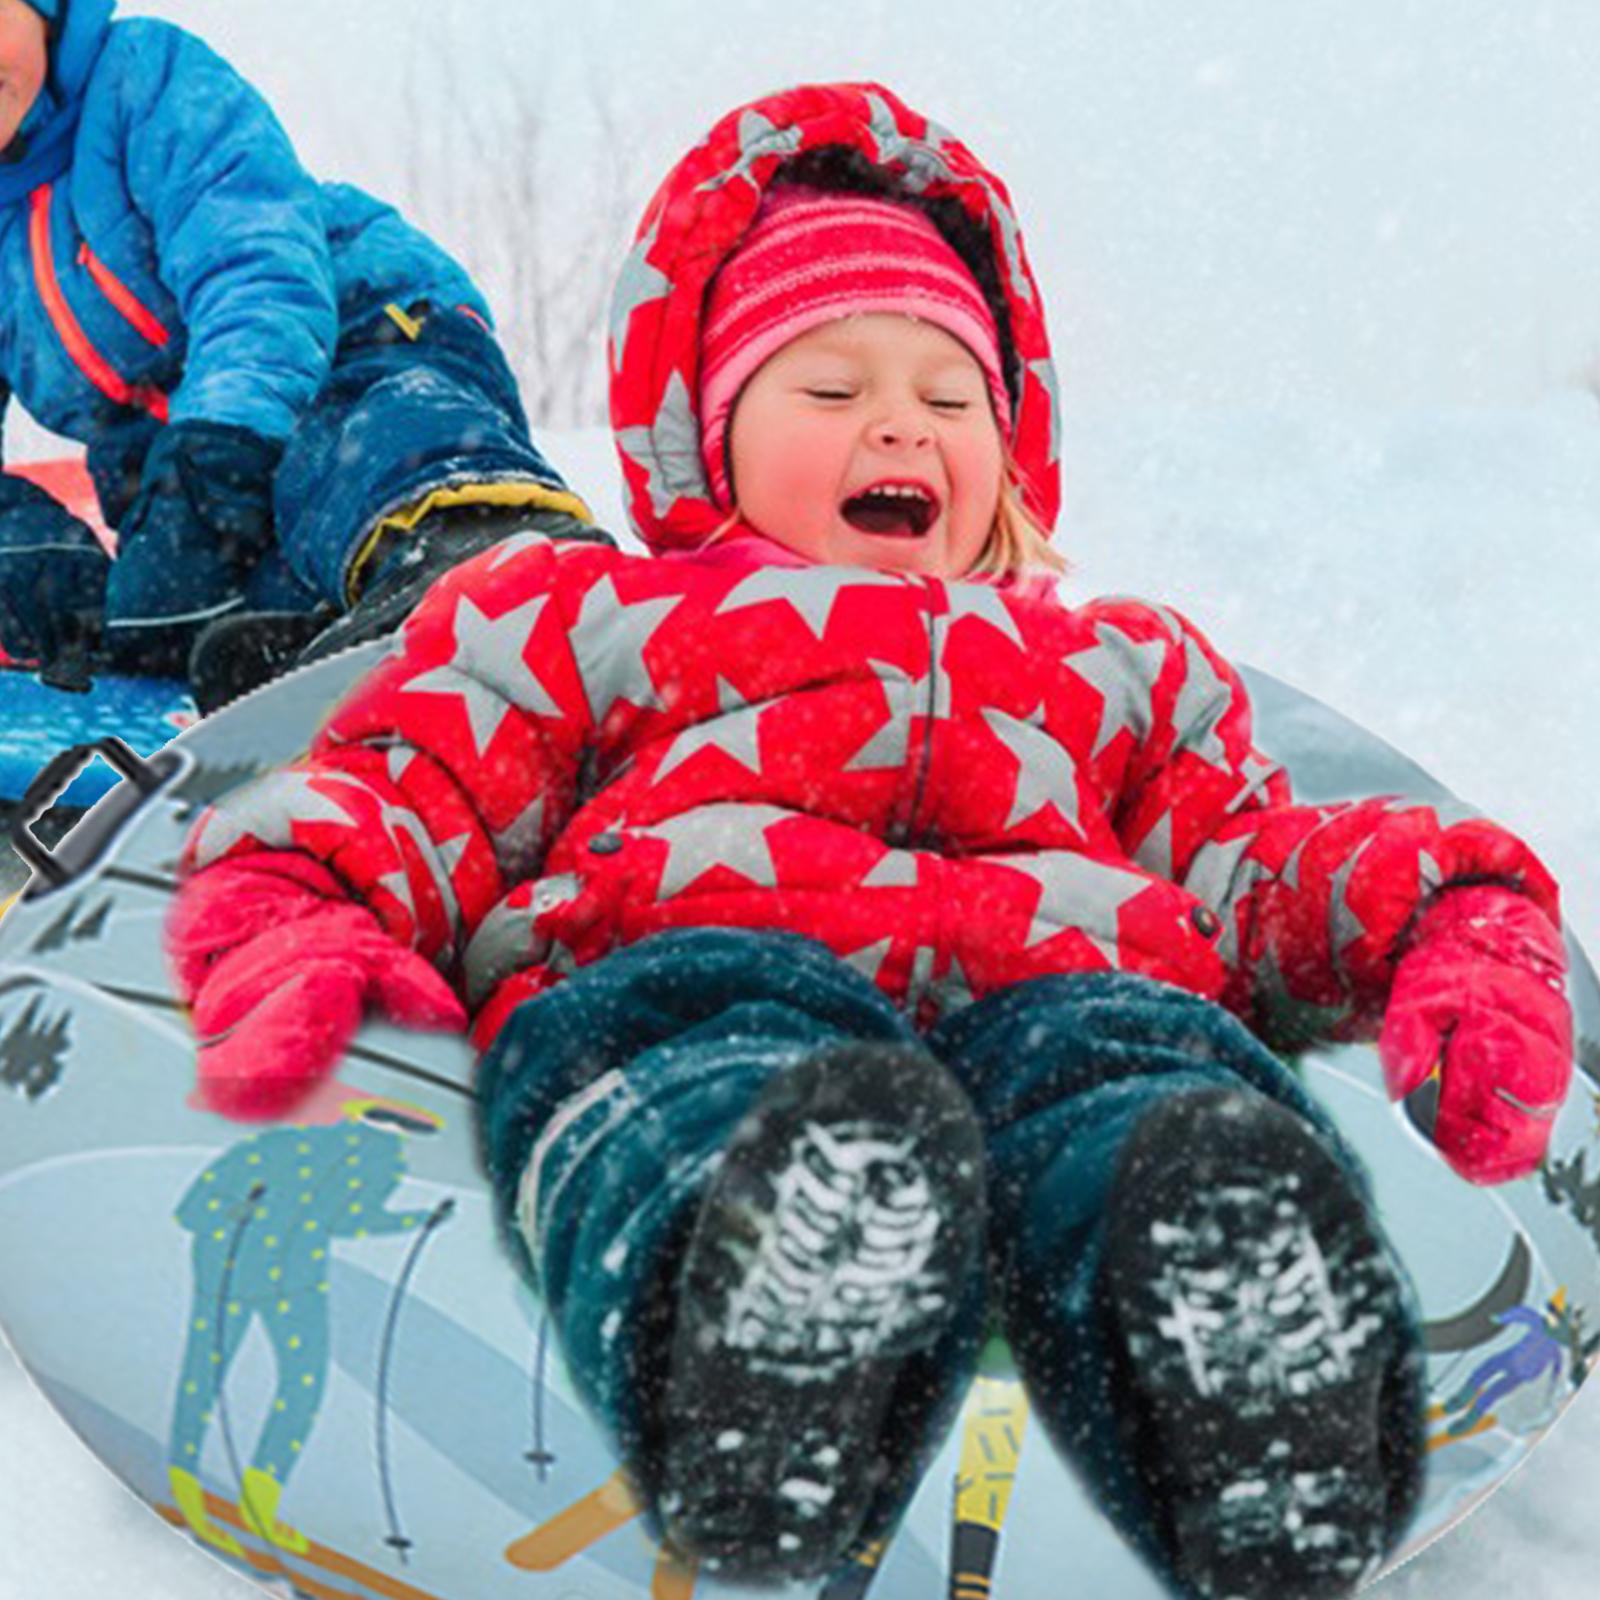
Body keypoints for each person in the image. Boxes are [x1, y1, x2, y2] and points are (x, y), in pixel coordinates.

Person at [160, 83, 1575, 1600]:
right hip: (702, 969)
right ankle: (757, 1336)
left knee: (1145, 1073)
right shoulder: (585, 618)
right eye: (827, 389)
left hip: (1053, 1001)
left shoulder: (1119, 670)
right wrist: (297, 908)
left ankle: (1240, 1343)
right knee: (688, 1060)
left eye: (948, 396)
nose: (897, 419)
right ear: (706, 433)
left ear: (1008, 450)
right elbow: (408, 785)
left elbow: (1258, 861)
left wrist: (1452, 917)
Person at [0, 0, 592, 700]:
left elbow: (254, 268)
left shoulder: (140, 80)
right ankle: (306, 643)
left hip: (358, 333)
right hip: (173, 447)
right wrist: (39, 561)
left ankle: (478, 548)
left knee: (355, 445)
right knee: (194, 596)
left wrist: (218, 443)